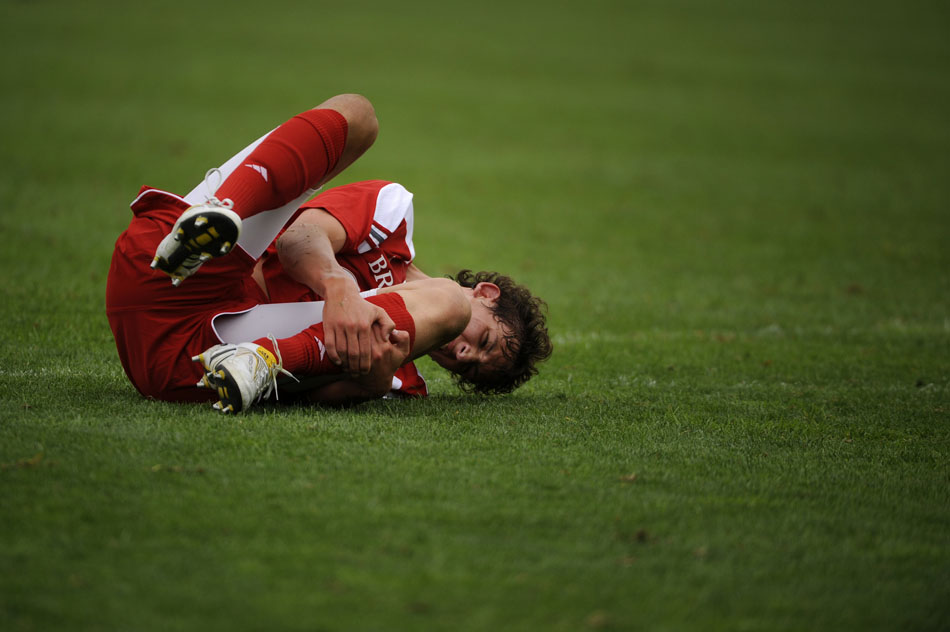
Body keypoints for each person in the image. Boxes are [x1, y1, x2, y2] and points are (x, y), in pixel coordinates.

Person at [106, 94, 551, 412]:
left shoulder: (404, 379)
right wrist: (338, 286)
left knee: (436, 309)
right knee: (359, 116)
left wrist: (367, 382)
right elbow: (297, 239)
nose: (463, 355)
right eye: (485, 342)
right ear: (486, 293)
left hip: (201, 365)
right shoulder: (391, 221)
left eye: (469, 371)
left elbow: (309, 399)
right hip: (170, 270)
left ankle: (264, 360)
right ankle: (219, 216)